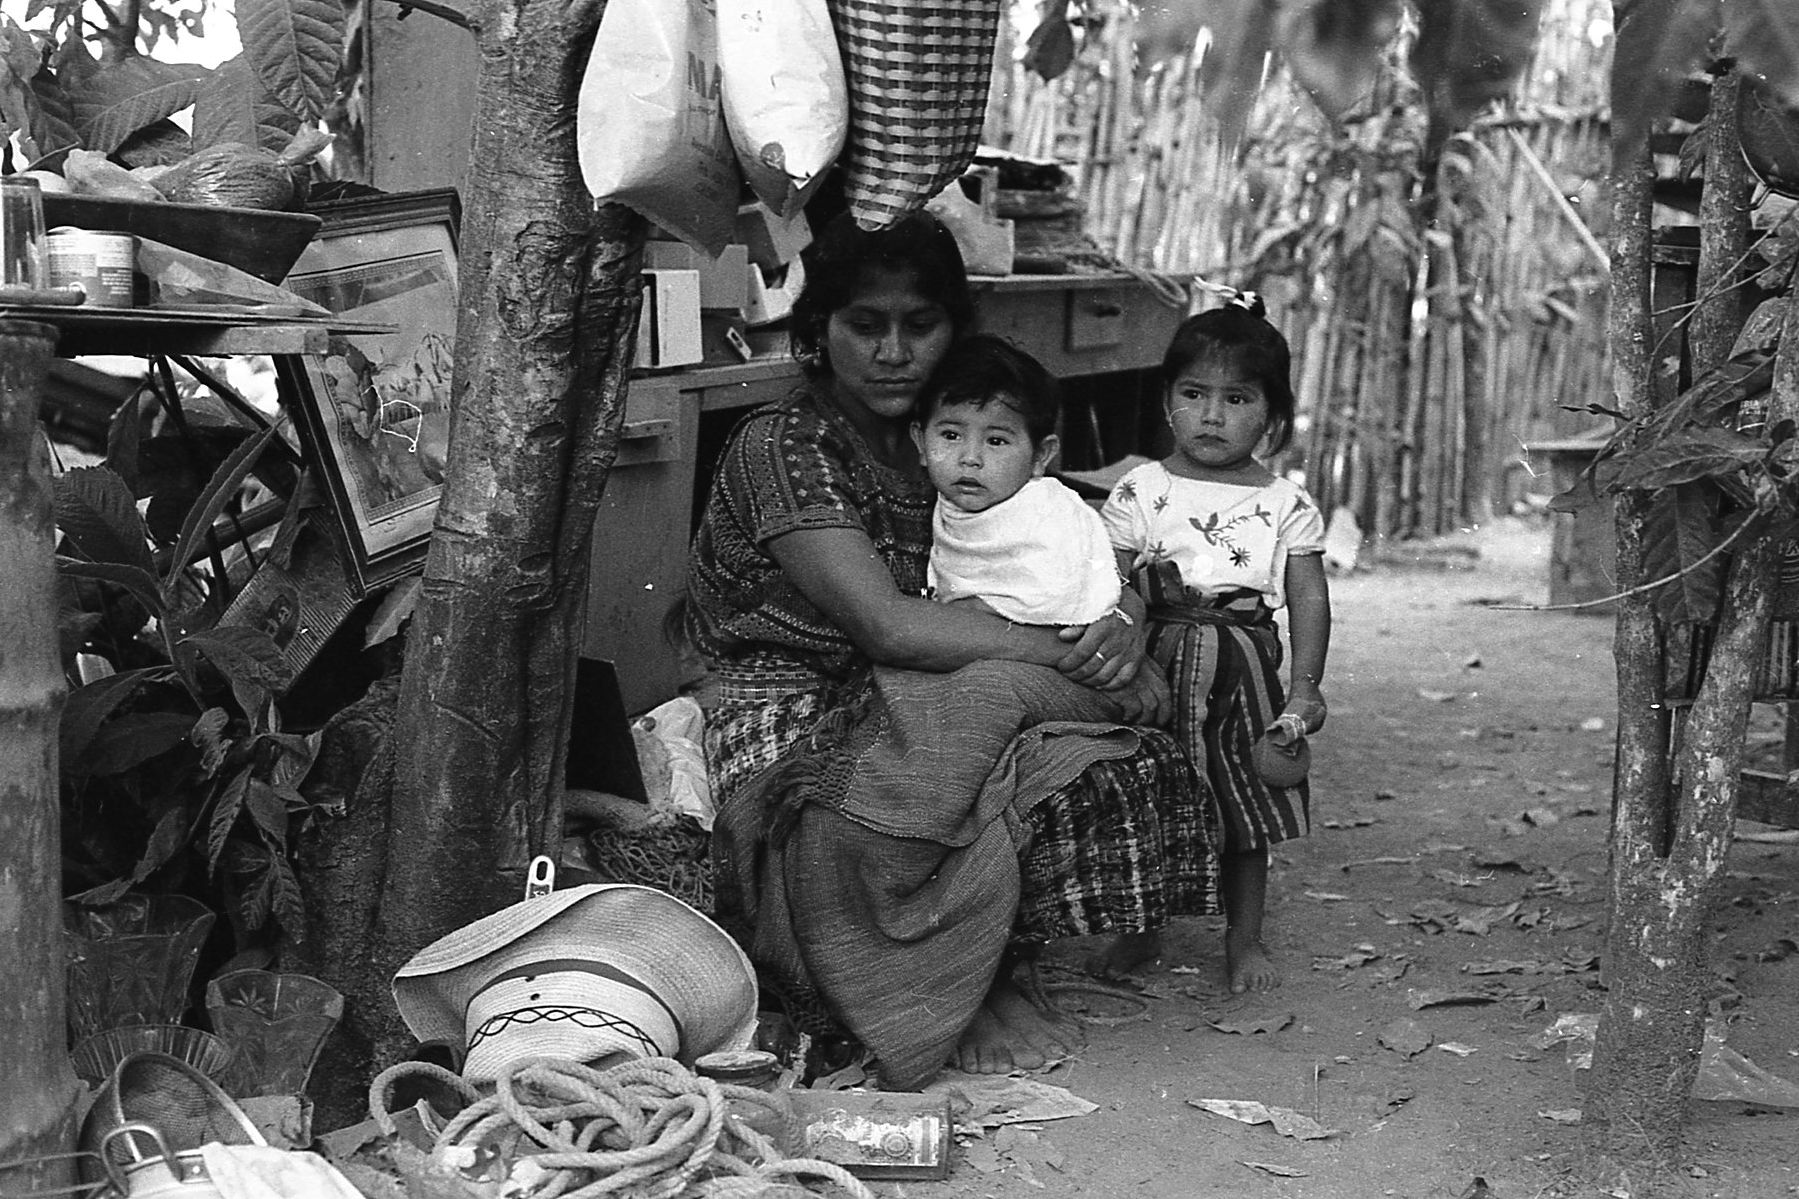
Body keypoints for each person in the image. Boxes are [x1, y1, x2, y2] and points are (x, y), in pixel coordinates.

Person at [684, 210, 1218, 1086]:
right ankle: (935, 990)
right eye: (865, 325)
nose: (893, 352)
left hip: (939, 673)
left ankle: (985, 959)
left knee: (1091, 752)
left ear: (954, 329)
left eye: (920, 325)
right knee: (859, 806)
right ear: (819, 330)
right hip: (788, 693)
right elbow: (888, 627)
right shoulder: (783, 444)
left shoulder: (958, 430)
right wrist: (1067, 653)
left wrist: (1118, 616)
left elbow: (1071, 532)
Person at [1101, 293, 1331, 995]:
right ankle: (1141, 928)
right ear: (1166, 400)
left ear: (1272, 416)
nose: (1211, 414)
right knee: (1145, 794)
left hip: (1244, 667)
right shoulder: (1141, 488)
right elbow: (1107, 580)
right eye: (1194, 393)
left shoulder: (1286, 504)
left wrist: (1305, 686)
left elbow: (1308, 597)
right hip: (1154, 662)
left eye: (1236, 398)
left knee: (1246, 801)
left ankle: (1244, 937)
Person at [913, 333, 1121, 626]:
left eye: (996, 441)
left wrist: (980, 609)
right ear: (921, 443)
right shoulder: (945, 506)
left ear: (1040, 456)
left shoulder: (1048, 513)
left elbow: (1060, 594)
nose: (970, 458)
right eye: (951, 435)